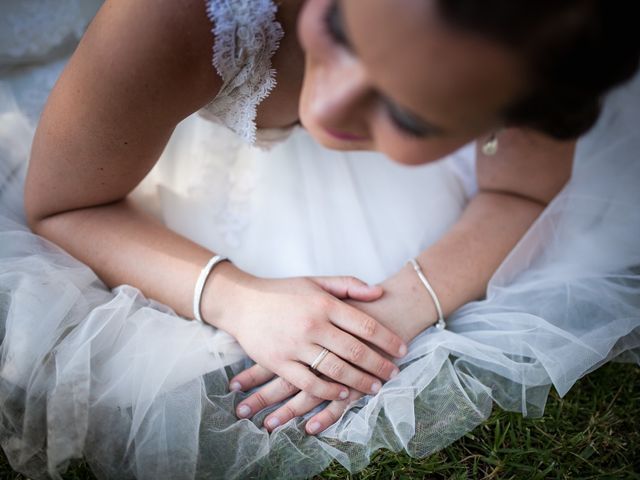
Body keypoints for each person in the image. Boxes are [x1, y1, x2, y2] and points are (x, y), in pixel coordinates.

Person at [0, 0, 638, 478]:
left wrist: (408, 300)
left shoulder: (535, 40)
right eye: (338, 29)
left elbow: (523, 188)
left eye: (410, 114)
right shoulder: (175, 16)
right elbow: (62, 206)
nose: (326, 108)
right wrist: (236, 296)